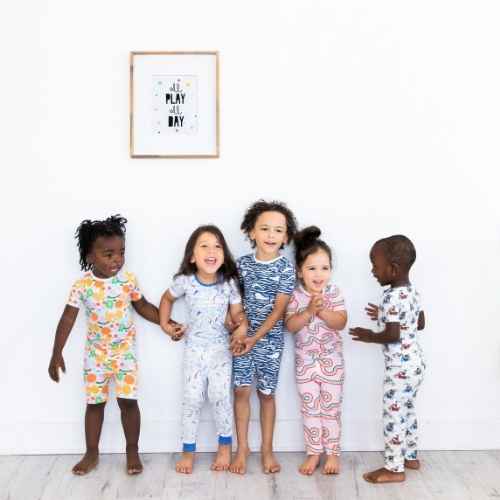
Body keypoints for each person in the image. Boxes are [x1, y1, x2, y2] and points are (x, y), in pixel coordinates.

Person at [48, 215, 160, 475]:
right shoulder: (82, 286)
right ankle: (91, 452)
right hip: (96, 358)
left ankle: (132, 450)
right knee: (94, 405)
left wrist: (167, 324)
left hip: (124, 356)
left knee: (128, 403)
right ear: (90, 256)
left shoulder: (128, 280)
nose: (117, 259)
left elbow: (142, 306)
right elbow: (67, 317)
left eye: (121, 252)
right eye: (108, 254)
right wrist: (56, 352)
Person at [159, 225, 247, 474]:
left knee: (220, 397)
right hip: (194, 350)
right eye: (204, 246)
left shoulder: (228, 283)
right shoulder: (185, 281)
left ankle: (224, 446)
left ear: (224, 254)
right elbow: (166, 299)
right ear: (192, 256)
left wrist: (237, 325)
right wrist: (166, 325)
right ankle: (188, 451)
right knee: (192, 399)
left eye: (217, 246)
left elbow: (237, 314)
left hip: (221, 349)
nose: (211, 251)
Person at [349, 235, 426, 484]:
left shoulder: (392, 297)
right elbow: (420, 322)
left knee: (394, 416)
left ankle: (394, 468)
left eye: (375, 265)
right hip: (416, 365)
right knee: (408, 411)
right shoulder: (412, 291)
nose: (372, 271)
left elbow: (392, 335)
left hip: (399, 370)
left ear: (392, 269)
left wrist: (369, 335)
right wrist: (384, 313)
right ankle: (411, 456)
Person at [229, 200, 297, 474]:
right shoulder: (241, 264)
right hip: (241, 337)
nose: (271, 235)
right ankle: (242, 447)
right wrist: (239, 327)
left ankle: (267, 449)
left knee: (266, 394)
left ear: (286, 236)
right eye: (265, 228)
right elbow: (234, 301)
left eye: (278, 230)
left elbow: (280, 310)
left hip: (268, 341)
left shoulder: (286, 268)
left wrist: (254, 338)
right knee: (241, 391)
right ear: (251, 232)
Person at [285, 226, 347, 475]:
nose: (319, 274)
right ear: (300, 271)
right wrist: (309, 311)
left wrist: (321, 310)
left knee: (331, 409)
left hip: (332, 363)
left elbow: (341, 322)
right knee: (310, 409)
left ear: (331, 270)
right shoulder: (295, 296)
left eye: (324, 268)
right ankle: (314, 452)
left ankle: (332, 453)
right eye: (312, 268)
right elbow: (290, 325)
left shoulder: (334, 293)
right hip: (305, 365)